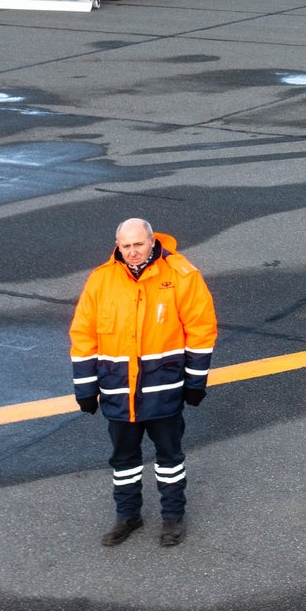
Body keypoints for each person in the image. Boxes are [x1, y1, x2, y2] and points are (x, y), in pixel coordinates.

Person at [69, 219, 218, 547]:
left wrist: (195, 382)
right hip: (118, 393)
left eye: (139, 244)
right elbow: (83, 335)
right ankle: (127, 516)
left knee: (169, 457)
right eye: (126, 246)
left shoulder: (181, 275)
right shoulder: (100, 280)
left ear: (152, 241)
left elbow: (201, 329)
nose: (133, 252)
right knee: (123, 461)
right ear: (117, 246)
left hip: (163, 391)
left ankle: (173, 518)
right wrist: (85, 388)